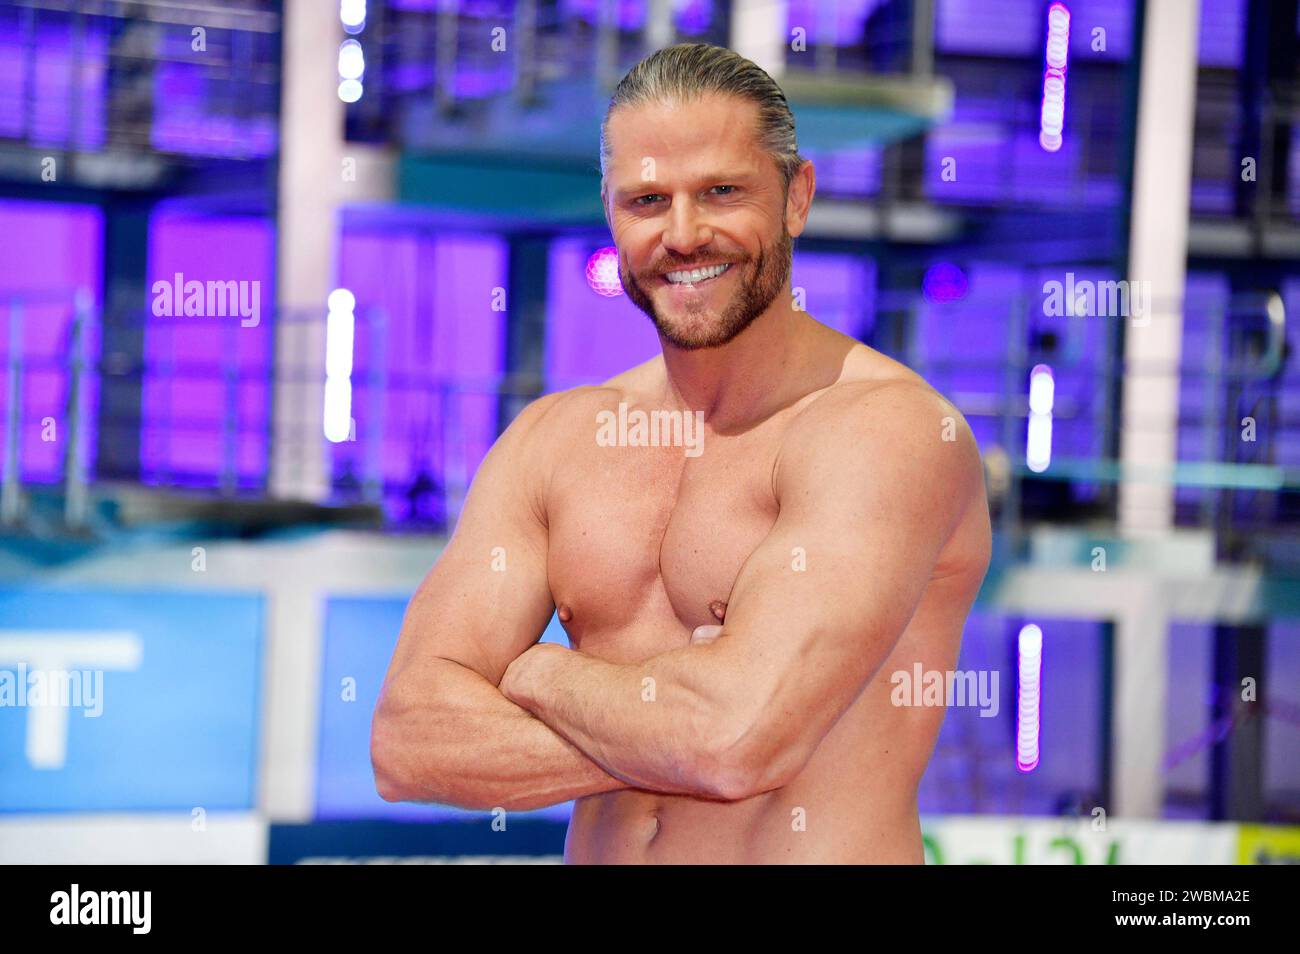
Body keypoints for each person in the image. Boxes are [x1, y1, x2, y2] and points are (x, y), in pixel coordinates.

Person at [371, 43, 991, 864]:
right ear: (610, 210)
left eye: (722, 192)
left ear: (796, 197)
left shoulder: (888, 433)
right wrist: (682, 716)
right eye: (648, 200)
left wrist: (537, 675)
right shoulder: (556, 439)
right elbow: (408, 740)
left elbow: (736, 744)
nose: (685, 233)